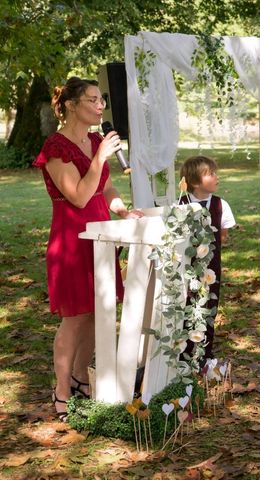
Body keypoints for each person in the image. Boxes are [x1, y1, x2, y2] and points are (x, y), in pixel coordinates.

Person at [33, 77, 143, 421]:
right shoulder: (56, 147)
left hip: (102, 234)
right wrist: (99, 157)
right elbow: (79, 195)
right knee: (75, 318)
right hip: (72, 239)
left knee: (99, 312)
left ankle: (82, 379)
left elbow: (105, 188)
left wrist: (123, 209)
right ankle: (62, 392)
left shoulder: (95, 140)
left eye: (102, 101)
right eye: (93, 100)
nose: (100, 107)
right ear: (71, 105)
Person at [179, 155, 236, 361]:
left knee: (209, 306)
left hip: (211, 267)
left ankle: (205, 352)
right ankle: (184, 351)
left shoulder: (221, 205)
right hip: (186, 267)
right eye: (210, 174)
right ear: (195, 182)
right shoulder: (181, 204)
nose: (216, 177)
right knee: (186, 304)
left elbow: (222, 235)